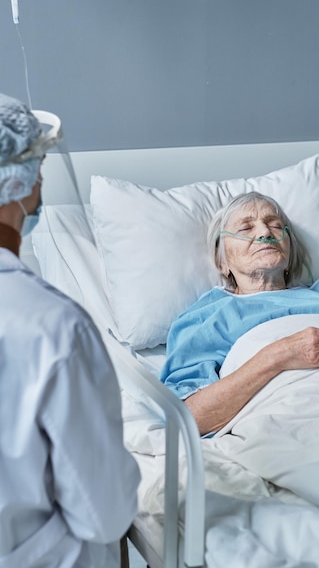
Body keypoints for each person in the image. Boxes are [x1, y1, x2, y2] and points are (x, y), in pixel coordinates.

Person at [0, 94, 140, 567]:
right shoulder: (53, 328)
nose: (40, 179)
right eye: (37, 167)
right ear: (20, 186)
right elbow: (103, 513)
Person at [160, 191, 319, 436]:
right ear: (222, 262)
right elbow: (189, 417)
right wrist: (280, 355)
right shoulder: (206, 317)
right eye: (246, 228)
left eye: (275, 225)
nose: (264, 233)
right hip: (303, 418)